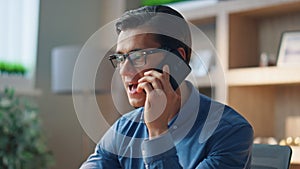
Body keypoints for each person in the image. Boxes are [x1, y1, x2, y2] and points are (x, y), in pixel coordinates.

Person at [80, 5, 253, 169]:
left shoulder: (231, 132)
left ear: (176, 58)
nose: (124, 71)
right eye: (120, 59)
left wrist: (157, 132)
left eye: (138, 56)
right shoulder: (124, 128)